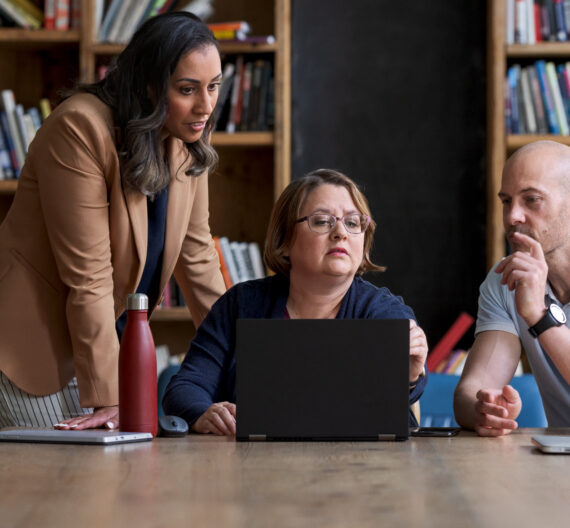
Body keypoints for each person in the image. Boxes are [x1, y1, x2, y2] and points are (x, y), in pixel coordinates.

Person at [0, 12, 226, 430]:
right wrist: (110, 397)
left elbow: (199, 264)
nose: (206, 106)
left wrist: (245, 373)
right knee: (74, 482)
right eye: (187, 89)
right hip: (30, 350)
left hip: (105, 346)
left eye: (213, 87)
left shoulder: (183, 137)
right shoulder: (79, 127)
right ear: (148, 85)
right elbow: (88, 276)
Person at [163, 169, 428, 435]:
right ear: (285, 239)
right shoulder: (241, 305)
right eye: (323, 221)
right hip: (255, 469)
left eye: (353, 222)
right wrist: (204, 414)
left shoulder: (384, 310)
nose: (340, 233)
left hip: (364, 470)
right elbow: (185, 389)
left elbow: (397, 404)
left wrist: (408, 377)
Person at [454, 141, 570, 436]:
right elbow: (473, 388)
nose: (511, 217)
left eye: (531, 200)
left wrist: (539, 316)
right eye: (506, 201)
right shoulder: (507, 278)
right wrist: (485, 410)